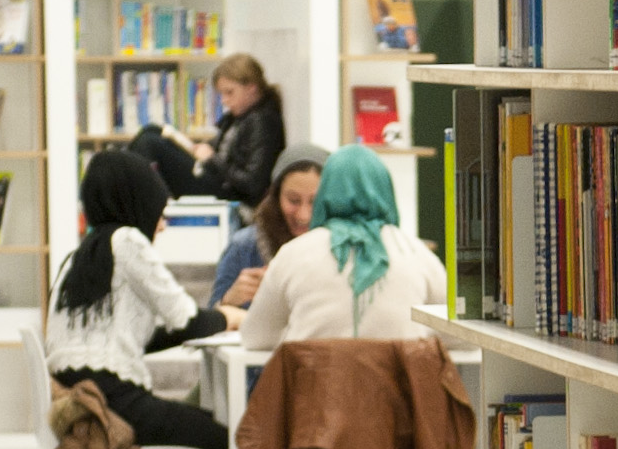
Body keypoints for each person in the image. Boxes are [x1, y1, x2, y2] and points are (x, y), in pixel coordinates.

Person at [48, 147, 230, 449]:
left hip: (79, 400)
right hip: (116, 402)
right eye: (160, 212)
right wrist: (230, 316)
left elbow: (133, 340)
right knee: (232, 445)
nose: (161, 225)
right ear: (139, 204)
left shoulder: (77, 258)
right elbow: (187, 319)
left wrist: (215, 319)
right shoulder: (128, 242)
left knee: (210, 438)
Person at [237, 149, 447, 350]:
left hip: (314, 386)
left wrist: (299, 333)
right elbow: (460, 334)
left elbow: (255, 337)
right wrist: (414, 333)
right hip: (399, 387)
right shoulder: (415, 253)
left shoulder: (293, 253)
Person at [212, 143, 325, 310]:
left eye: (315, 203)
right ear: (276, 197)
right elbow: (209, 321)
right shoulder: (245, 246)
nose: (304, 214)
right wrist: (228, 301)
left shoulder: (343, 249)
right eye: (293, 200)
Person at [172, 53, 285, 205]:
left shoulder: (262, 121)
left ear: (251, 88)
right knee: (153, 133)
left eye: (230, 92)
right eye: (222, 94)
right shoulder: (239, 117)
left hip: (230, 194)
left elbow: (253, 183)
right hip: (218, 182)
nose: (224, 101)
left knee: (152, 144)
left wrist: (211, 160)